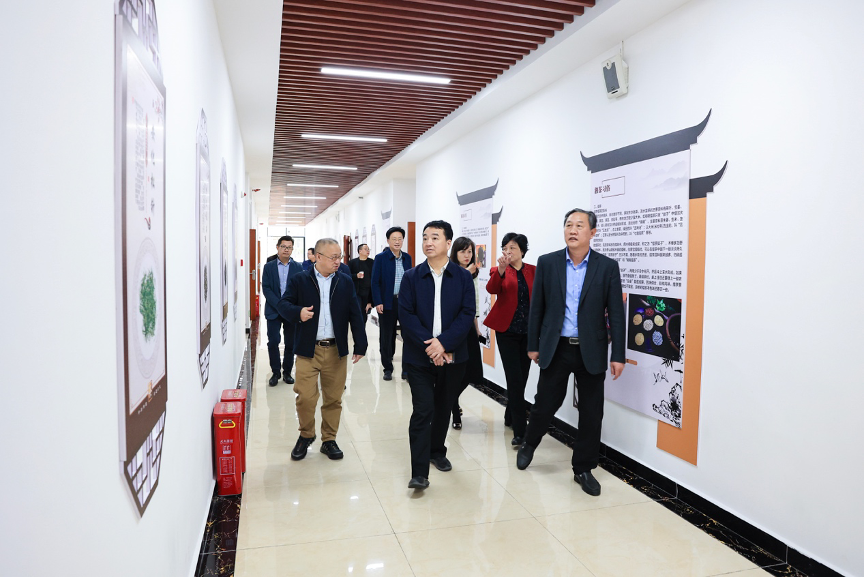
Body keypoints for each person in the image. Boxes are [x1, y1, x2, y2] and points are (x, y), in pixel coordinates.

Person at [516, 209, 625, 497]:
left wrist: (618, 354)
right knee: (545, 404)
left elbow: (616, 313)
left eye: (579, 225)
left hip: (592, 348)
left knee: (592, 411)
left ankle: (583, 468)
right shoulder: (548, 262)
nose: (572, 230)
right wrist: (533, 344)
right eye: (568, 225)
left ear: (592, 232)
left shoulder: (607, 267)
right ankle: (529, 443)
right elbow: (537, 307)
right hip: (557, 346)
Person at [399, 221, 475, 490]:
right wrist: (431, 347)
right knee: (423, 410)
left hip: (452, 355)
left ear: (448, 242)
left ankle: (437, 451)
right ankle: (419, 472)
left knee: (444, 406)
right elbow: (406, 315)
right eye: (425, 238)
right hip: (419, 357)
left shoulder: (463, 277)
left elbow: (467, 314)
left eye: (434, 237)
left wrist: (443, 344)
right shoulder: (411, 277)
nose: (428, 242)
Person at [277, 238, 368, 461]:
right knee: (305, 397)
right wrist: (298, 312)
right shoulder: (300, 279)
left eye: (340, 257)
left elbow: (355, 314)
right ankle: (306, 435)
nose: (338, 261)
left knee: (333, 399)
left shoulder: (344, 281)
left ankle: (329, 440)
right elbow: (283, 305)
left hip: (336, 350)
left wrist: (361, 344)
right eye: (333, 257)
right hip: (308, 350)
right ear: (318, 257)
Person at [483, 232, 536, 446]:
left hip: (528, 332)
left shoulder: (534, 270)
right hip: (507, 332)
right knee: (514, 379)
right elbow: (491, 289)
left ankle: (509, 416)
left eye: (512, 247)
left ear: (522, 250)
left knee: (522, 377)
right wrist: (501, 270)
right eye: (505, 248)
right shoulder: (499, 270)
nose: (508, 251)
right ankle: (521, 432)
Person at [448, 236, 483, 430]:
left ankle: (450, 398)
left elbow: (473, 303)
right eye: (463, 251)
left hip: (469, 326)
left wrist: (476, 327)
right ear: (455, 252)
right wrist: (465, 275)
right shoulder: (451, 271)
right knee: (455, 371)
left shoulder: (473, 272)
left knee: (472, 371)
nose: (467, 255)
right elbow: (452, 298)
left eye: (470, 251)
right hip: (453, 326)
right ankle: (454, 412)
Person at [371, 226, 413, 381]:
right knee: (387, 336)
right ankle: (387, 368)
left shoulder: (407, 258)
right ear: (388, 241)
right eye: (394, 239)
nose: (397, 242)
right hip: (387, 302)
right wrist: (378, 301)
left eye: (400, 239)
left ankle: (406, 369)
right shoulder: (381, 258)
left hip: (405, 303)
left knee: (408, 335)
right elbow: (375, 282)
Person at [261, 236, 303, 387]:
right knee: (273, 341)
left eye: (289, 247)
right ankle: (275, 372)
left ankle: (287, 372)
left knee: (290, 342)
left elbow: (300, 289)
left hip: (291, 311)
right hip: (274, 310)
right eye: (283, 246)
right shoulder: (269, 267)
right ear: (277, 247)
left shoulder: (298, 267)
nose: (286, 249)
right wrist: (279, 305)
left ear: (292, 249)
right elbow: (266, 288)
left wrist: (292, 307)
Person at [349, 243, 374, 322]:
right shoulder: (352, 262)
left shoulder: (372, 262)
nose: (368, 251)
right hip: (357, 292)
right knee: (358, 311)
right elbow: (347, 276)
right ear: (360, 251)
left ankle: (362, 328)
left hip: (368, 292)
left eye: (368, 249)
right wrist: (356, 276)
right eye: (365, 249)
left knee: (364, 313)